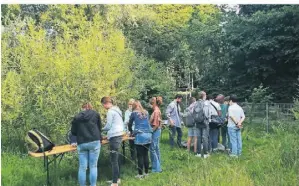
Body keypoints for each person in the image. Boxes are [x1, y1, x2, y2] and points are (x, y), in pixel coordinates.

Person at [71, 102, 102, 186]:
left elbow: (73, 132)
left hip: (82, 143)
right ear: (91, 108)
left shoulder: (77, 117)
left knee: (82, 167)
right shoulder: (95, 114)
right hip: (94, 142)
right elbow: (99, 127)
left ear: (82, 108)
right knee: (93, 166)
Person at [101, 97, 124, 186]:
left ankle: (115, 183)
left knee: (113, 160)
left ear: (105, 103)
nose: (103, 107)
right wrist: (108, 135)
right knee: (116, 158)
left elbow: (108, 126)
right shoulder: (117, 110)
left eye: (103, 105)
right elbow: (116, 124)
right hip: (119, 134)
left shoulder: (110, 111)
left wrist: (99, 129)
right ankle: (117, 179)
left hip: (114, 137)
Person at [128, 101, 152, 178]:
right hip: (148, 135)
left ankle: (140, 174)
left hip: (140, 136)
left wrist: (131, 131)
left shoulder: (134, 113)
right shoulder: (146, 112)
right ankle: (146, 173)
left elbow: (130, 124)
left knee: (140, 156)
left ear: (133, 106)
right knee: (146, 154)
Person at [195, 91, 211, 158]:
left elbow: (193, 112)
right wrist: (208, 120)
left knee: (198, 137)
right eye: (205, 95)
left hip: (198, 122)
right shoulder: (206, 103)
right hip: (205, 122)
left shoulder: (196, 103)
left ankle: (198, 153)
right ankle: (205, 153)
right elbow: (207, 113)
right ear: (204, 96)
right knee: (205, 138)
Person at [149, 96, 163, 173]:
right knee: (156, 148)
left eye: (151, 104)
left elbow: (156, 125)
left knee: (152, 149)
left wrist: (150, 131)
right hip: (157, 131)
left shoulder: (156, 111)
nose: (150, 106)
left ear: (153, 103)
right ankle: (157, 165)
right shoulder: (157, 110)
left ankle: (156, 169)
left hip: (156, 131)